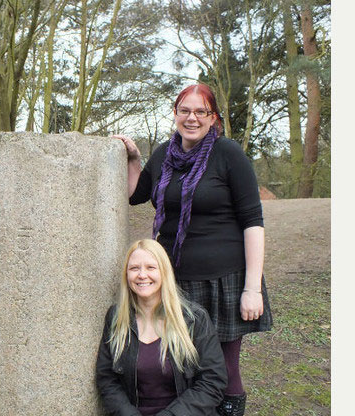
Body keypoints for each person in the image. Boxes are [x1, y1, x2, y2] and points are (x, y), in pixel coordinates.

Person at [114, 84, 272, 416]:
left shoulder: (228, 154)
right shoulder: (163, 155)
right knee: (179, 368)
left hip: (223, 281)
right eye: (185, 110)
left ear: (213, 118)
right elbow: (135, 194)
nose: (192, 118)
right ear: (175, 113)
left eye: (202, 112)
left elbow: (253, 221)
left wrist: (252, 288)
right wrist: (134, 159)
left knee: (222, 371)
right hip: (174, 282)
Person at [96, 239, 227, 415]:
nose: (142, 275)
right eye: (134, 268)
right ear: (127, 275)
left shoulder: (194, 319)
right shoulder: (116, 317)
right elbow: (107, 379)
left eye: (151, 267)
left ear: (164, 272)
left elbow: (213, 381)